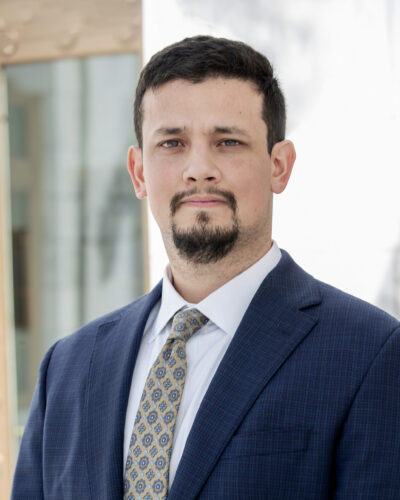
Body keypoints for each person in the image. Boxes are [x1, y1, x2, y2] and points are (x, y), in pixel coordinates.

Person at [12, 35, 400, 499]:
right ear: (138, 173)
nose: (199, 168)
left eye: (228, 141)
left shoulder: (369, 354)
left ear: (279, 165)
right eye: (172, 142)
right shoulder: (67, 369)